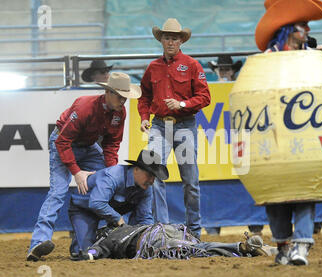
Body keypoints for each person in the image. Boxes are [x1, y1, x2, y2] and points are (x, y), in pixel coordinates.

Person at [27, 72, 141, 262]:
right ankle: (38, 242)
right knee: (58, 192)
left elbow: (112, 144)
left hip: (88, 146)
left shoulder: (120, 113)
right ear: (108, 92)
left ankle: (83, 243)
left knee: (107, 184)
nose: (123, 101)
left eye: (125, 97)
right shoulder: (84, 106)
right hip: (64, 144)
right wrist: (76, 171)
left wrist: (111, 174)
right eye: (120, 96)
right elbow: (62, 141)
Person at [254, 0, 322, 265]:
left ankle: (301, 244)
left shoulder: (311, 58)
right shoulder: (265, 61)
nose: (307, 30)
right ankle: (284, 245)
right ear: (290, 29)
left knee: (304, 191)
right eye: (302, 26)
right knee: (275, 195)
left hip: (304, 133)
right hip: (273, 136)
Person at [137, 18, 211, 239]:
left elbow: (205, 97)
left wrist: (182, 104)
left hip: (185, 125)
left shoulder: (191, 65)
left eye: (174, 38)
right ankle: (162, 229)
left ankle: (194, 231)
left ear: (181, 41)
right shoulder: (153, 68)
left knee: (190, 181)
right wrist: (143, 117)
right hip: (159, 125)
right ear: (161, 40)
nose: (170, 42)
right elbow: (145, 96)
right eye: (167, 38)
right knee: (153, 174)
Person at [67, 149, 169, 260]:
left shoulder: (146, 188)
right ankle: (86, 237)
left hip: (112, 210)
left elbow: (144, 217)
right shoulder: (113, 176)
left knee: (129, 248)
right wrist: (117, 219)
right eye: (149, 175)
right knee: (85, 253)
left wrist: (149, 237)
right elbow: (96, 203)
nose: (152, 181)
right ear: (136, 169)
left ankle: (102, 236)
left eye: (154, 177)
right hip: (84, 209)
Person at [206, 55, 264, 236]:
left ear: (233, 71)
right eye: (221, 70)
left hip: (233, 142)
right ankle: (214, 228)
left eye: (226, 69)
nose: (224, 73)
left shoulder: (241, 89)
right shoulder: (211, 90)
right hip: (219, 143)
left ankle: (255, 227)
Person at [78, 223, 278, 261]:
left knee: (196, 250)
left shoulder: (107, 239)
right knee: (198, 247)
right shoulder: (129, 226)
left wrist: (85, 254)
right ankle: (252, 248)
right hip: (167, 228)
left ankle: (241, 248)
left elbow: (93, 253)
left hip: (152, 242)